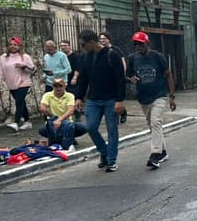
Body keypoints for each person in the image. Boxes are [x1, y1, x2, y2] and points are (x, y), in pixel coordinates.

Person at [75, 29, 126, 172]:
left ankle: (111, 160)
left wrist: (120, 100)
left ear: (92, 42)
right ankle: (104, 152)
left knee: (112, 130)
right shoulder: (86, 57)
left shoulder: (112, 55)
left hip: (111, 99)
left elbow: (120, 79)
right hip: (93, 99)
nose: (82, 47)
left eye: (83, 44)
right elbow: (83, 79)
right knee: (90, 127)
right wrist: (79, 97)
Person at [126, 31, 176, 169]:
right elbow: (127, 75)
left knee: (155, 122)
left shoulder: (157, 57)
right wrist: (131, 79)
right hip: (143, 97)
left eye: (141, 44)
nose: (138, 47)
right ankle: (163, 151)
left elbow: (168, 75)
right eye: (136, 45)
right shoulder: (132, 59)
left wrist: (171, 97)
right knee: (153, 126)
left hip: (159, 95)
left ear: (147, 43)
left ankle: (155, 155)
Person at [0, 36, 35, 131]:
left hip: (23, 82)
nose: (13, 46)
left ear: (19, 46)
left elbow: (33, 70)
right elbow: (1, 71)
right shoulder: (3, 57)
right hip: (11, 84)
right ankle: (27, 121)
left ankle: (16, 123)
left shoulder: (25, 57)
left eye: (15, 45)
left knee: (19, 101)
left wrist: (24, 67)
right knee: (21, 102)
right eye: (11, 44)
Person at [38, 78, 87, 150]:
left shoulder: (70, 95)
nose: (58, 88)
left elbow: (70, 110)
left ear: (64, 86)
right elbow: (42, 108)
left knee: (84, 127)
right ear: (53, 87)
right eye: (56, 86)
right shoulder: (47, 95)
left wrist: (60, 119)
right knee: (42, 130)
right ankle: (59, 138)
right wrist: (54, 118)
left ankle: (70, 137)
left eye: (60, 86)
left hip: (67, 122)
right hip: (53, 122)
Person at [99, 32, 128, 123]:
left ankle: (123, 112)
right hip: (106, 79)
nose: (102, 40)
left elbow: (122, 62)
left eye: (104, 38)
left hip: (116, 77)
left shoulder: (115, 50)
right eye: (101, 39)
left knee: (117, 98)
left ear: (109, 39)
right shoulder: (100, 50)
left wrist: (123, 74)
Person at [60, 39, 83, 121]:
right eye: (61, 46)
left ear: (69, 46)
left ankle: (77, 114)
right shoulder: (61, 56)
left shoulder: (75, 56)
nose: (63, 47)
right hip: (64, 79)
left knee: (73, 97)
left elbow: (78, 67)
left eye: (65, 46)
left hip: (73, 79)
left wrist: (75, 77)